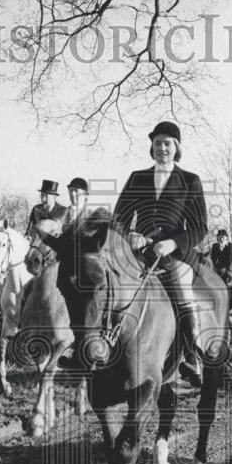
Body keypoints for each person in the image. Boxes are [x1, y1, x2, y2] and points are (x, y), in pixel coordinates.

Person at [61, 121, 208, 387]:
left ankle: (192, 355)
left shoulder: (190, 181)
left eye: (167, 143)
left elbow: (199, 228)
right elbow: (118, 218)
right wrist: (129, 235)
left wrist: (172, 244)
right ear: (151, 147)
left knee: (181, 288)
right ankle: (85, 347)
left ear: (177, 148)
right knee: (100, 285)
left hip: (174, 255)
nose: (162, 148)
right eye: (157, 143)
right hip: (137, 253)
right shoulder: (137, 177)